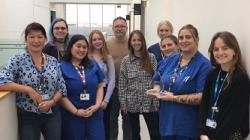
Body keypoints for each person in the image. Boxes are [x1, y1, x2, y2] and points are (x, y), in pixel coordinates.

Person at [0, 22, 67, 140]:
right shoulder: (18, 60)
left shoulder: (52, 61)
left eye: (40, 37)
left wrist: (52, 102)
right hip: (28, 115)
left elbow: (62, 87)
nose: (36, 40)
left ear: (45, 39)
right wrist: (28, 89)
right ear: (26, 39)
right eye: (31, 37)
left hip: (52, 113)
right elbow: (1, 81)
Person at [146, 24, 212, 140]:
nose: (184, 41)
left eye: (188, 37)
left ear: (196, 39)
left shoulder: (204, 65)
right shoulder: (172, 59)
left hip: (187, 127)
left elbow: (202, 97)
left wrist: (173, 98)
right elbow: (157, 76)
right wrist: (156, 89)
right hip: (166, 123)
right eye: (181, 38)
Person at [199, 31, 250, 140]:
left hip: (229, 135)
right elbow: (204, 105)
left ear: (234, 51)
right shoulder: (212, 75)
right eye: (216, 49)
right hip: (208, 134)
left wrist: (212, 137)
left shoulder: (240, 78)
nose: (220, 52)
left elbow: (235, 116)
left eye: (225, 48)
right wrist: (203, 132)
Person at [60, 34, 105, 140]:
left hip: (94, 113)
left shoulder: (93, 64)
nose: (82, 49)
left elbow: (100, 86)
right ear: (71, 47)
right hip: (72, 115)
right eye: (78, 46)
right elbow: (61, 94)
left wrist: (97, 106)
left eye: (84, 47)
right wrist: (76, 111)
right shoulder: (61, 67)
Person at [119, 30, 160, 140]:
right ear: (130, 42)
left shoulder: (151, 58)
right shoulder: (126, 61)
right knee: (135, 133)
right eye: (134, 40)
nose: (136, 42)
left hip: (149, 101)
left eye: (139, 40)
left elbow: (157, 80)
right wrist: (123, 104)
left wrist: (156, 103)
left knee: (155, 133)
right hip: (132, 102)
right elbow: (122, 84)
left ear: (143, 41)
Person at [106, 16, 132, 140]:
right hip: (113, 88)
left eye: (122, 26)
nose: (119, 28)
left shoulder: (133, 42)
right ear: (112, 28)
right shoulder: (107, 44)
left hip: (129, 88)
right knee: (112, 118)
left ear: (126, 28)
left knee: (127, 118)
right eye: (117, 26)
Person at [89, 30, 116, 140]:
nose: (97, 41)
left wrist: (106, 100)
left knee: (104, 123)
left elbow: (112, 80)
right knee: (90, 121)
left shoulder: (108, 58)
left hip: (105, 92)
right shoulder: (87, 57)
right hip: (90, 92)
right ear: (90, 41)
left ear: (103, 41)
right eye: (94, 39)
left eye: (99, 39)